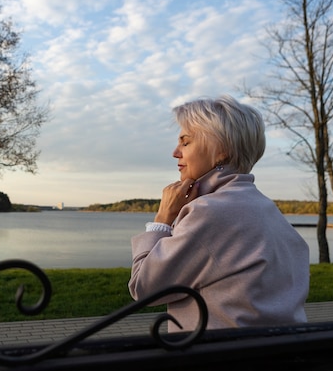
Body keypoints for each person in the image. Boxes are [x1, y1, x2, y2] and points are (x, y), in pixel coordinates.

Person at [128, 95, 309, 332]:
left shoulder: (210, 212)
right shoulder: (268, 210)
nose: (175, 152)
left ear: (221, 149)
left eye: (185, 142)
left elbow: (144, 288)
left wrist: (162, 220)